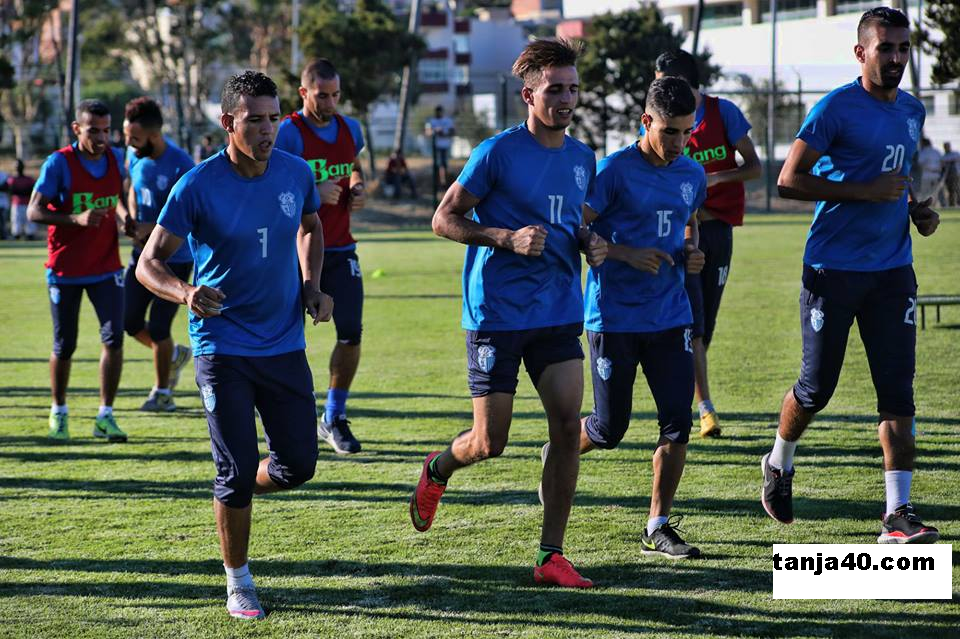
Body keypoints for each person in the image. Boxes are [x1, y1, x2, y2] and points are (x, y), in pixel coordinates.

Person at [409, 39, 607, 588]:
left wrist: (589, 241)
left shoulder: (583, 158)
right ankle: (439, 467)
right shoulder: (496, 152)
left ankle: (550, 556)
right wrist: (504, 237)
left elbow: (573, 222)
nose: (565, 99)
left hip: (558, 310)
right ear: (528, 95)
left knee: (566, 426)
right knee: (489, 443)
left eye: (572, 89)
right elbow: (443, 219)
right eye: (554, 89)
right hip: (496, 315)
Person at [136, 70, 333, 620]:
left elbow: (311, 226)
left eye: (274, 119)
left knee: (298, 465)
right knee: (236, 468)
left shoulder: (296, 171)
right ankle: (238, 580)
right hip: (221, 346)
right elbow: (149, 263)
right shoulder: (196, 185)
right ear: (228, 122)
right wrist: (186, 292)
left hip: (284, 343)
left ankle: (234, 487)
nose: (268, 130)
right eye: (255, 121)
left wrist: (312, 285)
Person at [766, 7, 940, 544]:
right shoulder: (834, 109)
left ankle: (897, 514)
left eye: (903, 48)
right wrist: (862, 193)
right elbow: (788, 180)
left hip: (892, 271)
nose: (896, 58)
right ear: (861, 53)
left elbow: (896, 177)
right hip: (833, 270)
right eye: (885, 48)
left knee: (898, 393)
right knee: (816, 389)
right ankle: (779, 460)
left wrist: (915, 209)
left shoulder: (912, 110)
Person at [552, 76, 707, 559]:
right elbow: (577, 229)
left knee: (677, 423)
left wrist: (691, 251)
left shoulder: (692, 173)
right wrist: (623, 253)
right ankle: (560, 450)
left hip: (671, 316)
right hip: (613, 318)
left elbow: (690, 220)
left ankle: (657, 525)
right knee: (609, 428)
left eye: (687, 132)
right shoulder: (614, 171)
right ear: (646, 122)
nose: (679, 143)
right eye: (670, 131)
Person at [651, 49, 762, 438]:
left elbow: (754, 167)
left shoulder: (723, 112)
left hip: (719, 232)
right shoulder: (660, 121)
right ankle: (704, 408)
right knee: (693, 325)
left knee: (705, 327)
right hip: (683, 234)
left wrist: (713, 179)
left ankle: (687, 390)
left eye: (661, 80)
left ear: (681, 81)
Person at [275, 58, 366, 454]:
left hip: (341, 248)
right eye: (321, 95)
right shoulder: (288, 133)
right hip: (292, 254)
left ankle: (333, 415)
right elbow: (270, 184)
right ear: (303, 93)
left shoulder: (351, 129)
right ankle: (286, 418)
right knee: (284, 341)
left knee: (350, 335)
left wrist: (357, 187)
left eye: (335, 95)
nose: (329, 103)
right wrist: (313, 188)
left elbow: (354, 166)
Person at [27, 99, 131, 442]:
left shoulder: (116, 158)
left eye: (106, 131)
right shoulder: (59, 163)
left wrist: (125, 219)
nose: (101, 138)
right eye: (93, 131)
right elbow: (33, 212)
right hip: (65, 269)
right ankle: (59, 412)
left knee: (114, 339)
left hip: (106, 266)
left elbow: (117, 197)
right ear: (76, 129)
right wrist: (76, 218)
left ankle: (105, 416)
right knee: (65, 344)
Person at [122, 96, 194, 412]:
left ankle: (162, 393)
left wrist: (149, 227)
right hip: (140, 254)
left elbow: (189, 218)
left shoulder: (182, 165)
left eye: (134, 138)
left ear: (154, 135)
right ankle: (173, 354)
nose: (129, 143)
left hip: (175, 259)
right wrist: (130, 217)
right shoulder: (134, 155)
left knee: (160, 326)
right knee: (128, 321)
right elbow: (132, 188)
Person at [7, 159, 38, 240]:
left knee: (30, 224)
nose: (18, 168)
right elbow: (10, 190)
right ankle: (17, 237)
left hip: (28, 204)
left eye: (19, 166)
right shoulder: (12, 179)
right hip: (16, 204)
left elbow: (34, 190)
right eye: (17, 166)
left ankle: (30, 237)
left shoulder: (29, 180)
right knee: (16, 223)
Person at [425, 105, 455, 185]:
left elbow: (453, 132)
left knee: (444, 164)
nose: (439, 113)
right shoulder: (431, 121)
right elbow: (427, 132)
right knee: (437, 164)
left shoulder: (448, 120)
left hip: (445, 146)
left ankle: (443, 181)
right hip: (435, 146)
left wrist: (444, 134)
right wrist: (435, 131)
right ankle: (438, 181)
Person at [915, 137, 942, 202]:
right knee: (937, 192)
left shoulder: (923, 152)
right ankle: (941, 204)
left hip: (926, 175)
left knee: (925, 193)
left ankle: (925, 204)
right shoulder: (937, 151)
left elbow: (919, 163)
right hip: (936, 174)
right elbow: (942, 162)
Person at [940, 142, 959, 207]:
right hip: (948, 176)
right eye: (945, 147)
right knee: (951, 190)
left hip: (956, 174)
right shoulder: (944, 156)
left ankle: (958, 203)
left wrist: (949, 161)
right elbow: (942, 164)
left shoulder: (955, 154)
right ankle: (952, 204)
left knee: (957, 189)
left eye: (947, 146)